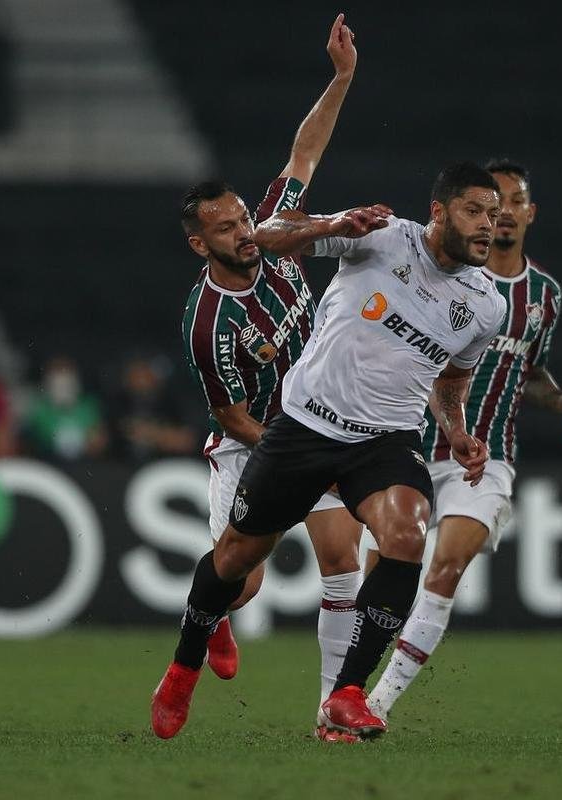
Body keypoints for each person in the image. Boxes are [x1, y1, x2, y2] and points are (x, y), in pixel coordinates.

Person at [151, 158, 508, 743]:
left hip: (387, 439)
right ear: (439, 211)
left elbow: (449, 383)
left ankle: (345, 693)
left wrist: (459, 431)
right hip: (305, 426)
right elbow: (266, 234)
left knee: (407, 533)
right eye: (474, 211)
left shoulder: (485, 305)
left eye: (493, 216)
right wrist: (335, 221)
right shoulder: (382, 238)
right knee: (236, 562)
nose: (486, 226)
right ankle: (184, 664)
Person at [150, 14, 370, 743]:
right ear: (197, 244)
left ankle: (332, 711)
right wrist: (295, 448)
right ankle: (202, 633)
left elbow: (304, 150)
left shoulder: (274, 238)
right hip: (254, 443)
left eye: (244, 217)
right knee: (242, 581)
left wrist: (341, 76)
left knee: (344, 559)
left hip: (320, 428)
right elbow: (232, 415)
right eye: (226, 229)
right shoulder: (208, 320)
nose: (245, 231)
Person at [364, 160, 562, 722]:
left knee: (444, 568)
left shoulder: (544, 295)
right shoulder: (441, 277)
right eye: (490, 205)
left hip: (487, 458)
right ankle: (345, 688)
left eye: (514, 202)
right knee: (379, 581)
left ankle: (380, 702)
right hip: (412, 447)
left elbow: (532, 372)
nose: (503, 215)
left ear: (528, 213)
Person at [109, 354, 197, 460]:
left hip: (167, 465)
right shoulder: (117, 403)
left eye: (145, 375)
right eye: (136, 376)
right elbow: (101, 439)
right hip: (123, 466)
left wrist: (155, 434)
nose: (141, 381)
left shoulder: (173, 402)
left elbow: (186, 440)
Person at [22, 355, 108, 460]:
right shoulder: (38, 408)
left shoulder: (89, 405)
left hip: (85, 464)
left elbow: (99, 443)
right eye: (57, 379)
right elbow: (34, 443)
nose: (62, 385)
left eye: (66, 378)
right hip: (49, 466)